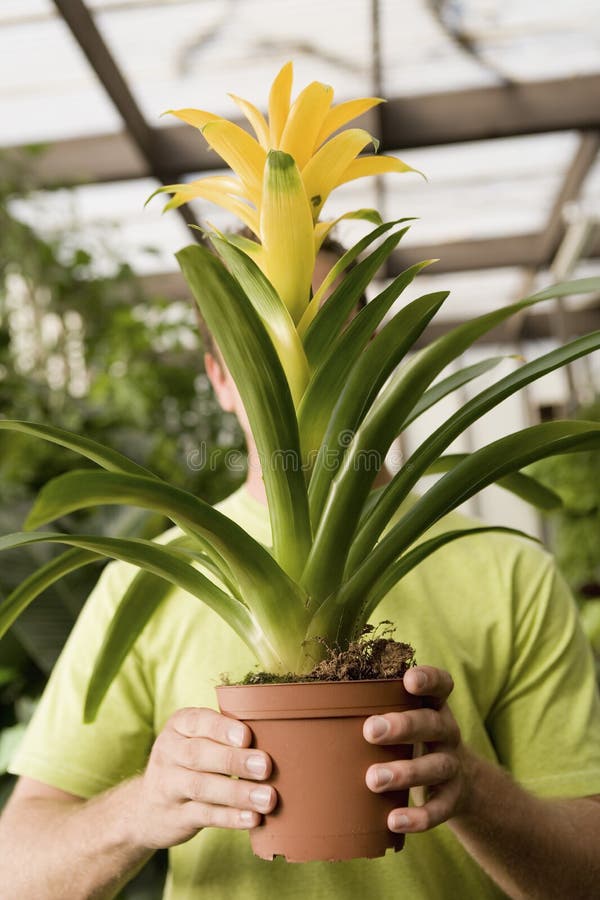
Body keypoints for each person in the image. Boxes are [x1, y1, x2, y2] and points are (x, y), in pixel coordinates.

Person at [1, 248, 600, 900]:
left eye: (327, 327)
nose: (297, 355)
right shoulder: (150, 582)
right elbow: (16, 874)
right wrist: (141, 806)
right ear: (221, 379)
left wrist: (474, 791)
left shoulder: (509, 571)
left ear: (375, 353)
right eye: (262, 334)